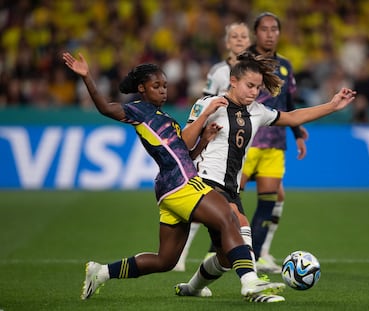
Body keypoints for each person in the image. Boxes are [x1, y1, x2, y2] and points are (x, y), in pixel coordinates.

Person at [62, 51, 286, 303]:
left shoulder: (164, 118)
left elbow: (185, 155)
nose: (163, 90)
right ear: (141, 89)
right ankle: (249, 281)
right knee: (229, 217)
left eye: (165, 86)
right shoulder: (138, 111)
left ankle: (101, 272)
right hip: (181, 184)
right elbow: (105, 107)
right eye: (156, 86)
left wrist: (205, 141)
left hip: (169, 188)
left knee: (165, 260)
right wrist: (87, 76)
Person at [175, 51, 356, 300]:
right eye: (249, 86)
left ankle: (192, 288)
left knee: (226, 257)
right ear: (234, 81)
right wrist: (205, 115)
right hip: (204, 182)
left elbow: (292, 117)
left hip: (230, 188)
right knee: (240, 223)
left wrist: (332, 106)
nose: (254, 92)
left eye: (258, 88)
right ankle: (251, 284)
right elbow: (183, 143)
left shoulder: (258, 111)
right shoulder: (209, 104)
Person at [173, 22, 252, 272]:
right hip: (215, 144)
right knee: (214, 206)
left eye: (243, 36)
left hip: (238, 146)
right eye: (234, 37)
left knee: (226, 211)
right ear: (227, 43)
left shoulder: (254, 71)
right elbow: (205, 103)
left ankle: (214, 263)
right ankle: (183, 257)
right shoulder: (219, 72)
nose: (239, 40)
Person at [239, 12, 308, 273]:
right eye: (264, 29)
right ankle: (222, 249)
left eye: (274, 29)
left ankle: (253, 261)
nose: (269, 34)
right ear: (256, 32)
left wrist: (298, 133)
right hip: (245, 140)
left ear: (279, 33)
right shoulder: (245, 61)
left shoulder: (285, 66)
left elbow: (288, 104)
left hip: (275, 144)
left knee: (267, 203)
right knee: (229, 198)